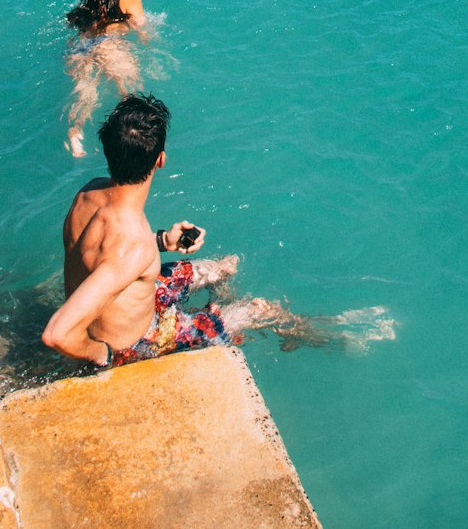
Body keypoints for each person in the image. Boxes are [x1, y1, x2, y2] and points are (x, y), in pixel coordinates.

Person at [42, 95, 310, 367]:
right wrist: (104, 355)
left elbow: (106, 252)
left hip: (133, 301)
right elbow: (56, 335)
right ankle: (321, 335)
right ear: (160, 160)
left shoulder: (89, 193)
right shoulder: (133, 246)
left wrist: (162, 240)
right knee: (259, 309)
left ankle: (219, 300)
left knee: (223, 267)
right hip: (139, 342)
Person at [65, 0, 148, 158]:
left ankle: (75, 131)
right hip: (109, 47)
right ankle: (134, 140)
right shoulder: (130, 0)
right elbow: (142, 31)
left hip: (81, 49)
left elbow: (73, 29)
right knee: (127, 90)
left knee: (85, 94)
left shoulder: (82, 8)